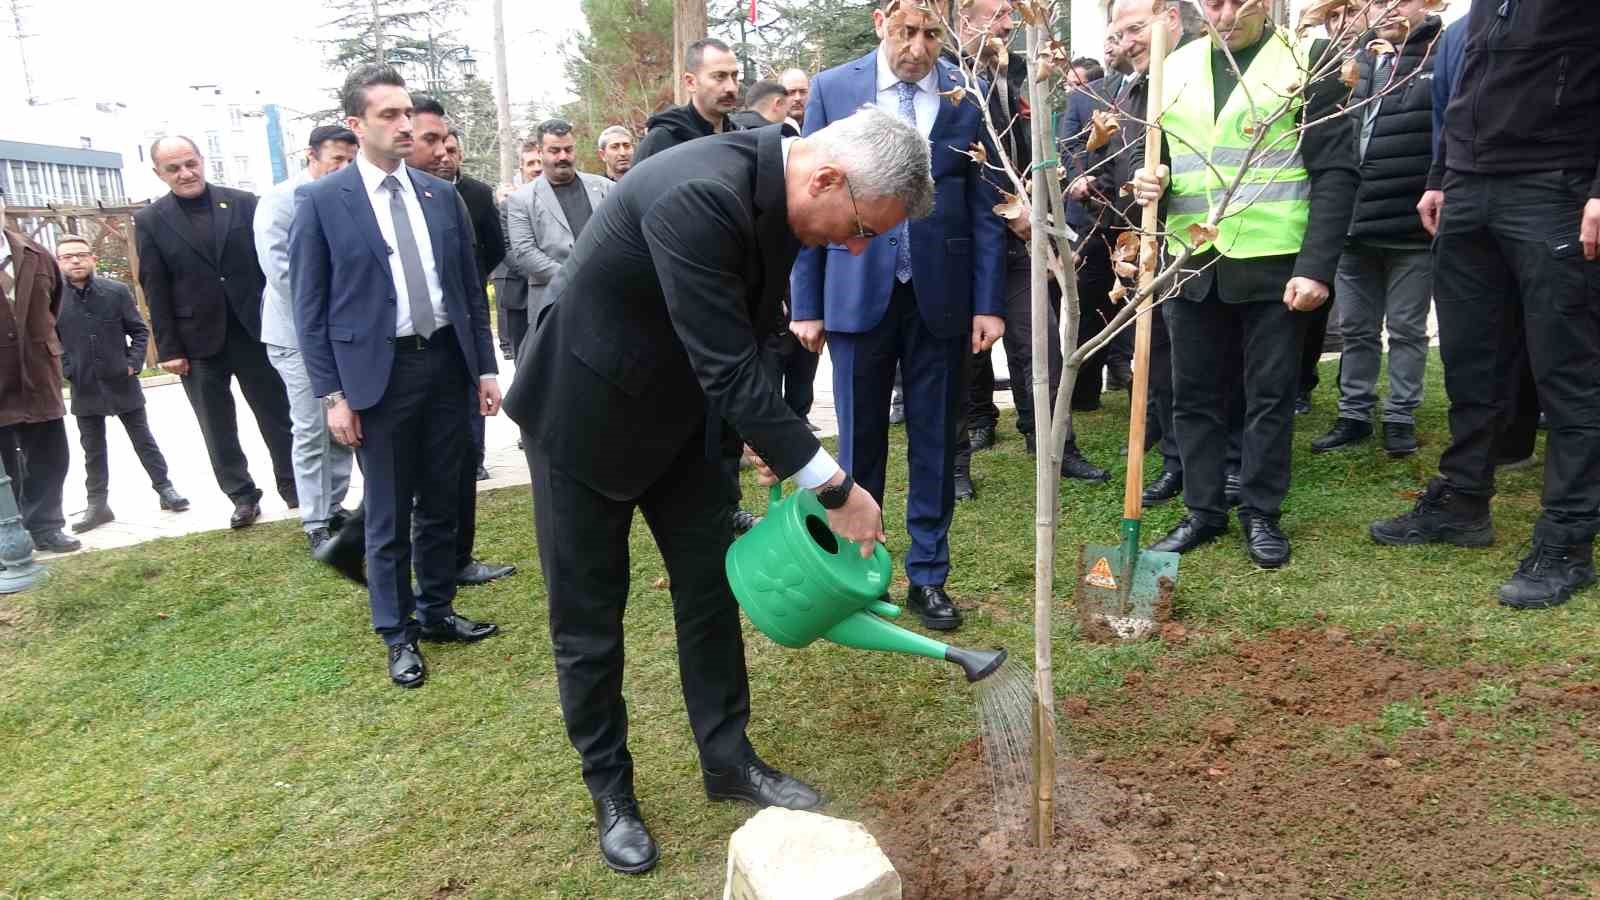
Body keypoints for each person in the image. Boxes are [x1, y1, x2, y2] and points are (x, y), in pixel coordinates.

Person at [504, 104, 926, 877]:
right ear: (828, 177)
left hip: (684, 425)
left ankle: (727, 759)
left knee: (707, 595)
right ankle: (612, 791)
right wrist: (830, 482)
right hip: (583, 418)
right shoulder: (696, 193)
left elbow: (748, 335)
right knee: (589, 618)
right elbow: (724, 361)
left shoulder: (779, 196)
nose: (858, 244)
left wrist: (769, 437)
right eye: (864, 224)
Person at [1371, 0, 1600, 611]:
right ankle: (1463, 501)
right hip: (1470, 187)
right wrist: (1441, 173)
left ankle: (1567, 541)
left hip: (1554, 184)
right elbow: (1469, 80)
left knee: (1568, 375)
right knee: (1472, 362)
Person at [791, 0, 1007, 632]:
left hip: (941, 296)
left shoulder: (968, 95)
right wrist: (807, 302)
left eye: (932, 33)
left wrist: (989, 302)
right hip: (856, 289)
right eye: (907, 30)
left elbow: (985, 201)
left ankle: (930, 575)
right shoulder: (834, 90)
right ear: (881, 22)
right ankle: (862, 569)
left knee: (938, 440)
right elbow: (807, 193)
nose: (919, 45)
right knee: (860, 441)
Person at [291, 63, 502, 688]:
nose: (405, 124)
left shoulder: (441, 196)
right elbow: (312, 309)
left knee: (444, 498)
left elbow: (468, 290)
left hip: (446, 365)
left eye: (408, 112)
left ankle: (436, 610)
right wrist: (334, 394)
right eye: (390, 115)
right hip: (377, 377)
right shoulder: (324, 201)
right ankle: (398, 632)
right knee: (387, 513)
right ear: (357, 125)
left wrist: (485, 368)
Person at [1131, 0, 1358, 569]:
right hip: (1192, 260)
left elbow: (1335, 172)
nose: (1224, 13)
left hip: (1275, 260)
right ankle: (1203, 512)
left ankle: (1261, 512)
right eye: (1212, 2)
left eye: (1238, 1)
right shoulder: (1174, 67)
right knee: (1195, 397)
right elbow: (1165, 160)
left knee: (1270, 396)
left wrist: (1316, 266)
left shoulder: (1307, 63)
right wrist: (1149, 183)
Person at [134, 136, 297, 529]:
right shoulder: (151, 220)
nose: (185, 173)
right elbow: (154, 287)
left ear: (202, 161)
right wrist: (169, 348)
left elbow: (269, 266)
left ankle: (295, 486)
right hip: (197, 342)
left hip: (255, 331)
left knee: (278, 415)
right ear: (159, 173)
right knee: (217, 425)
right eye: (174, 168)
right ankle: (241, 495)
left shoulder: (243, 203)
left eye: (190, 163)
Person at [1311, 0, 1440, 458]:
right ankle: (1354, 414)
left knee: (1406, 328)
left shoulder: (1441, 55)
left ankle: (1400, 416)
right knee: (1358, 328)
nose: (1387, 9)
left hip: (1411, 226)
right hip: (1352, 221)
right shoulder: (1355, 61)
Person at [255, 125, 359, 552]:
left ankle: (333, 504)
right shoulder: (281, 202)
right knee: (313, 427)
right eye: (337, 159)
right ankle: (315, 518)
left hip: (342, 332)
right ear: (311, 156)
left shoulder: (348, 197)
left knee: (344, 423)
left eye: (351, 160)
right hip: (298, 336)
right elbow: (284, 276)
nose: (345, 168)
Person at [53, 236, 189, 534]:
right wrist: (68, 368)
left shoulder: (115, 291)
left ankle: (165, 489)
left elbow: (139, 331)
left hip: (121, 381)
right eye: (67, 257)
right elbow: (50, 340)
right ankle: (98, 504)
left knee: (144, 439)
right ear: (59, 262)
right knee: (92, 448)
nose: (75, 261)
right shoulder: (52, 297)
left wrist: (132, 362)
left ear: (92, 259)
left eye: (81, 255)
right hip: (84, 384)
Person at [0, 217, 80, 553]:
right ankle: (8, 532)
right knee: (5, 463)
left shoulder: (37, 253)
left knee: (50, 454)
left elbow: (54, 305)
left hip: (38, 371)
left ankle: (46, 526)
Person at [505, 119, 614, 327]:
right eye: (555, 150)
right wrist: (572, 276)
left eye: (568, 149)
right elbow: (525, 252)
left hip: (606, 300)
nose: (563, 157)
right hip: (552, 305)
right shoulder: (521, 200)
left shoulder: (605, 188)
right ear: (540, 151)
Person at [634, 38, 742, 163]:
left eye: (734, 76)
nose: (731, 88)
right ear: (691, 82)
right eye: (719, 77)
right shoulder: (661, 142)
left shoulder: (740, 139)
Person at [493, 143, 542, 359]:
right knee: (524, 362)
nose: (537, 168)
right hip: (521, 297)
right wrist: (539, 273)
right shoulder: (508, 206)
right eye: (531, 163)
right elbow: (505, 248)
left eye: (540, 161)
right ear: (521, 169)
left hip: (558, 293)